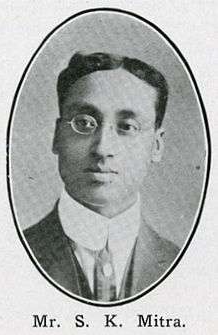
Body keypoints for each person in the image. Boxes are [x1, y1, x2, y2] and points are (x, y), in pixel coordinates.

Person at [24, 52, 179, 302]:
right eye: (84, 123)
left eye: (127, 127)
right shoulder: (11, 255)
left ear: (156, 146)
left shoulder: (186, 265)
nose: (102, 148)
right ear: (57, 136)